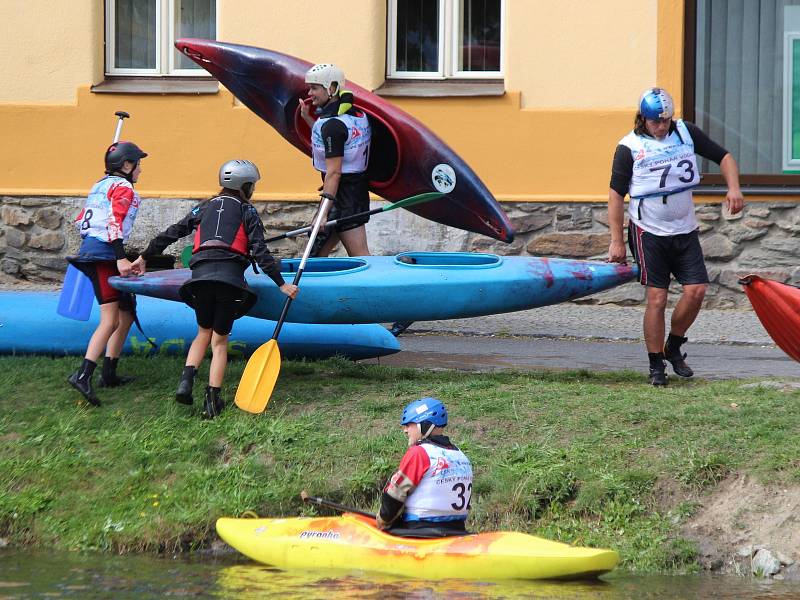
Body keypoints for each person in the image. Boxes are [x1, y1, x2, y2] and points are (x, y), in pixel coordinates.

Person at [131, 160, 298, 418]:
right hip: (228, 281)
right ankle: (211, 402)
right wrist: (282, 284)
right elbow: (260, 252)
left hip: (199, 279)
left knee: (203, 333)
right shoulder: (247, 211)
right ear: (245, 186)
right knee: (219, 342)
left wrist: (144, 257)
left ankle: (186, 382)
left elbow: (172, 232)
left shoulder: (204, 207)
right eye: (251, 185)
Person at [607, 87, 744, 386]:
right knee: (657, 298)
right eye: (656, 121)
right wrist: (616, 240)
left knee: (696, 291)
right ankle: (656, 365)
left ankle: (674, 345)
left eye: (666, 120)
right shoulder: (628, 147)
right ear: (643, 119)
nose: (661, 126)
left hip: (684, 229)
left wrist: (734, 187)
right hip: (649, 231)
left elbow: (724, 156)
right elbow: (616, 196)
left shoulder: (685, 132)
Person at [67, 141, 148, 406]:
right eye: (138, 164)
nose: (140, 170)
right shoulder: (122, 187)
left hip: (100, 250)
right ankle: (83, 374)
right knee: (110, 320)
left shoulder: (100, 184)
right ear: (126, 165)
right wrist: (120, 258)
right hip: (104, 255)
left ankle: (109, 374)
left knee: (126, 313)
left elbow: (82, 219)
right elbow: (114, 222)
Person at [298, 62, 372, 258]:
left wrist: (322, 213)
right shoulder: (354, 114)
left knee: (360, 256)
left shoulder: (333, 125)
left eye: (314, 88)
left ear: (331, 88)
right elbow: (336, 141)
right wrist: (307, 118)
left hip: (344, 199)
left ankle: (385, 286)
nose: (310, 93)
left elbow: (334, 172)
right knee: (315, 257)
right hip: (350, 192)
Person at [376, 398, 473, 537]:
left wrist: (382, 520)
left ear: (425, 425)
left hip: (420, 533)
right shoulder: (461, 455)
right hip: (457, 531)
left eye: (409, 424)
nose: (405, 430)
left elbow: (394, 498)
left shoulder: (419, 453)